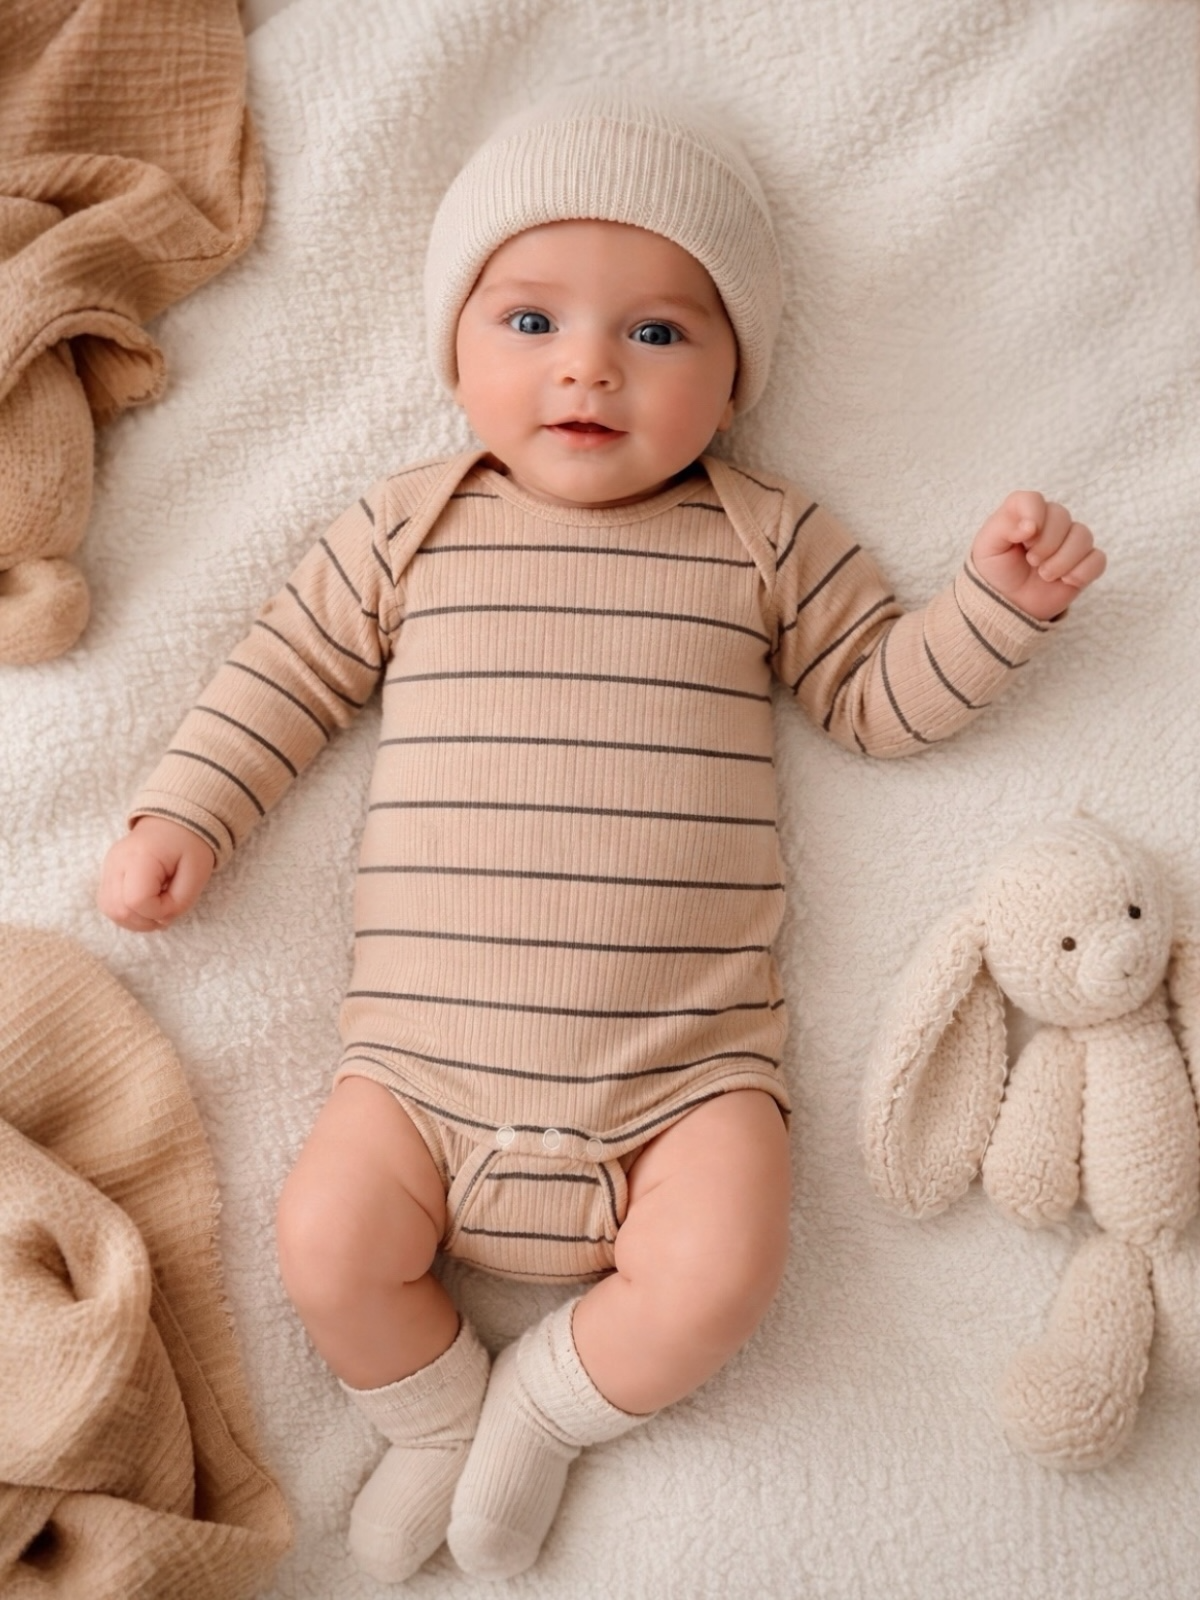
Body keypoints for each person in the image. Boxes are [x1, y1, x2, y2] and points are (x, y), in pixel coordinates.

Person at [97, 86, 1105, 1584]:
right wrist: (186, 809)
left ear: (734, 372)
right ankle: (437, 1411)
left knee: (721, 1271)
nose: (587, 367)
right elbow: (284, 676)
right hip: (418, 1076)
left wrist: (992, 614)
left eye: (656, 333)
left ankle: (550, 1412)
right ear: (454, 347)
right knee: (324, 1242)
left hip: (684, 1078)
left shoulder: (764, 533)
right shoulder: (410, 526)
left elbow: (881, 697)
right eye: (529, 323)